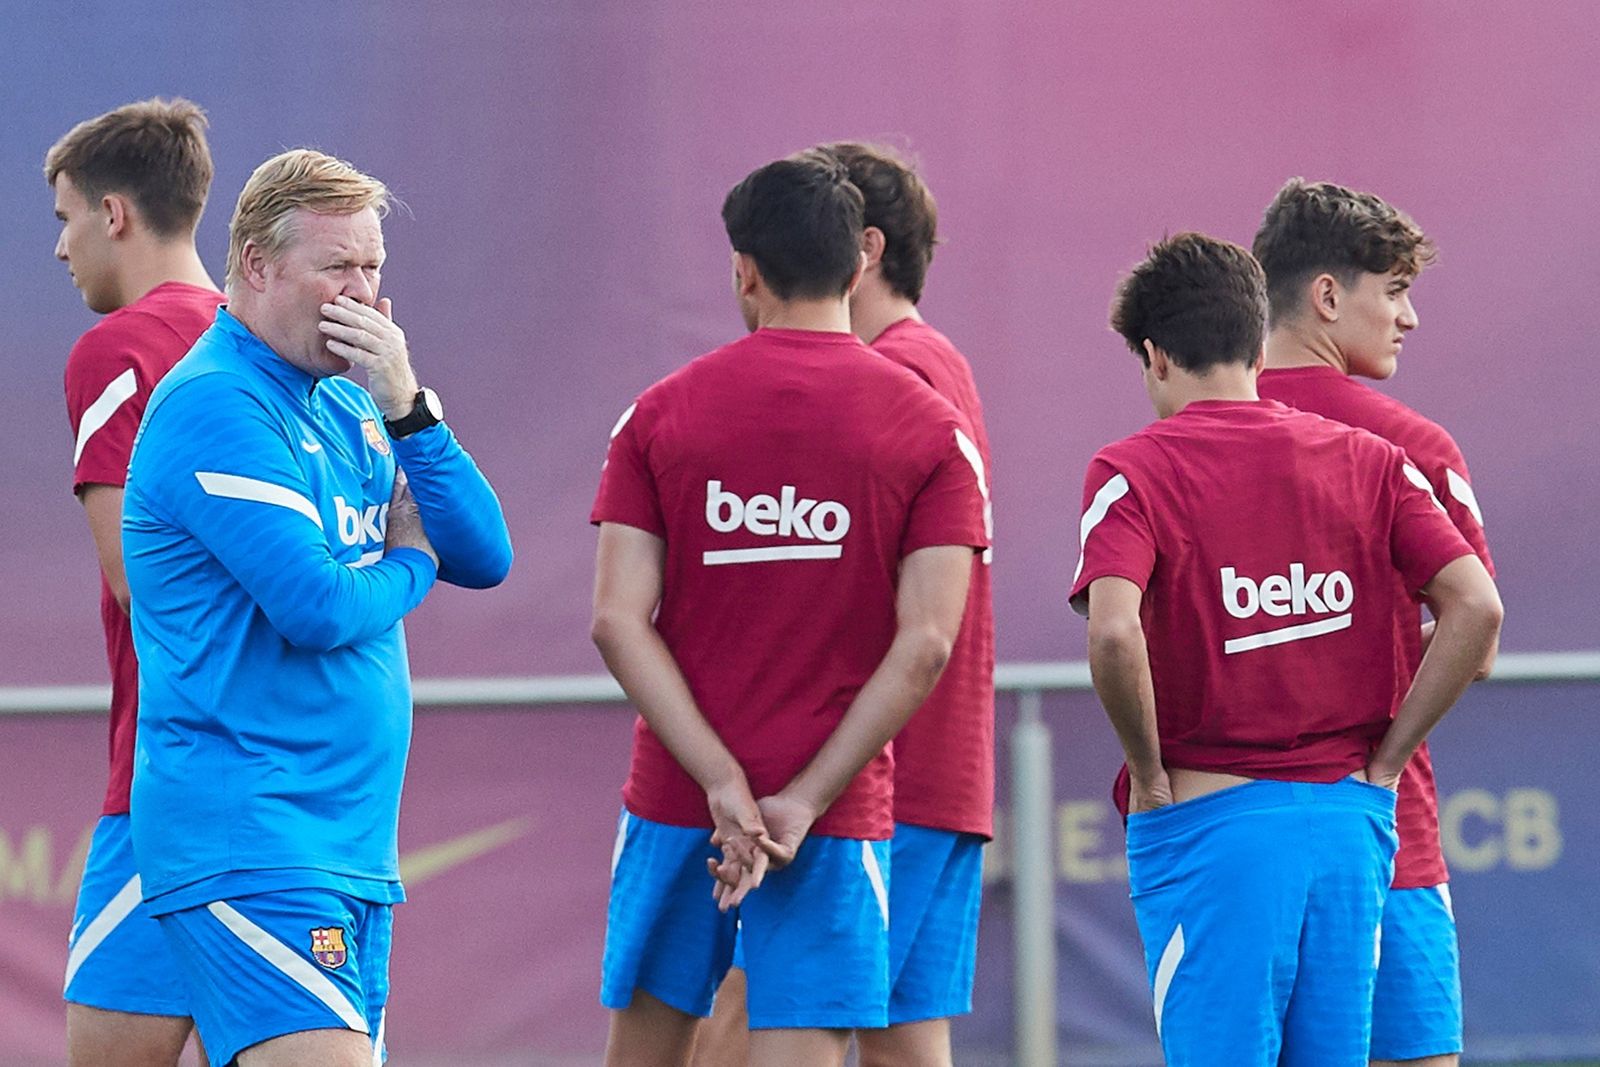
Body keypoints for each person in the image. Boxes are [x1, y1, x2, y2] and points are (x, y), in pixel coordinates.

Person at [590, 150, 988, 1067]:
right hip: (837, 810)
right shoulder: (930, 431)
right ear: (858, 267)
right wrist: (804, 797)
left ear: (744, 270)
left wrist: (721, 783)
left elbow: (617, 619)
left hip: (675, 797)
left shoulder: (657, 415)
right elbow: (927, 641)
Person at [121, 148, 513, 1067]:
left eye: (374, 266)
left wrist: (411, 412)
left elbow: (488, 555)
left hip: (349, 844)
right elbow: (319, 606)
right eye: (338, 265)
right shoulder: (217, 399)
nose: (365, 293)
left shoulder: (348, 401)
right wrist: (411, 555)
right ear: (257, 264)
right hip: (253, 832)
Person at [1070, 233, 1501, 1066]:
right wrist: (1390, 759)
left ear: (1156, 357)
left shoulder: (1131, 469)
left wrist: (1149, 773)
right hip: (1353, 820)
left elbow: (1115, 628)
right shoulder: (1376, 460)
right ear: (1255, 336)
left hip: (1210, 824)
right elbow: (1476, 608)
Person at [1252, 177, 1497, 1067]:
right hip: (1383, 830)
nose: (1410, 318)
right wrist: (1385, 748)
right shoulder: (1413, 445)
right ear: (1327, 295)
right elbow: (1477, 640)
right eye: (1393, 290)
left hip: (1232, 835)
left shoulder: (1183, 439)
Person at [46, 96, 224, 1067]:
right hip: (295, 789)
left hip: (173, 784)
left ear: (114, 213)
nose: (62, 248)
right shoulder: (262, 337)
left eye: (66, 218)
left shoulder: (118, 346)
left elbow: (136, 577)